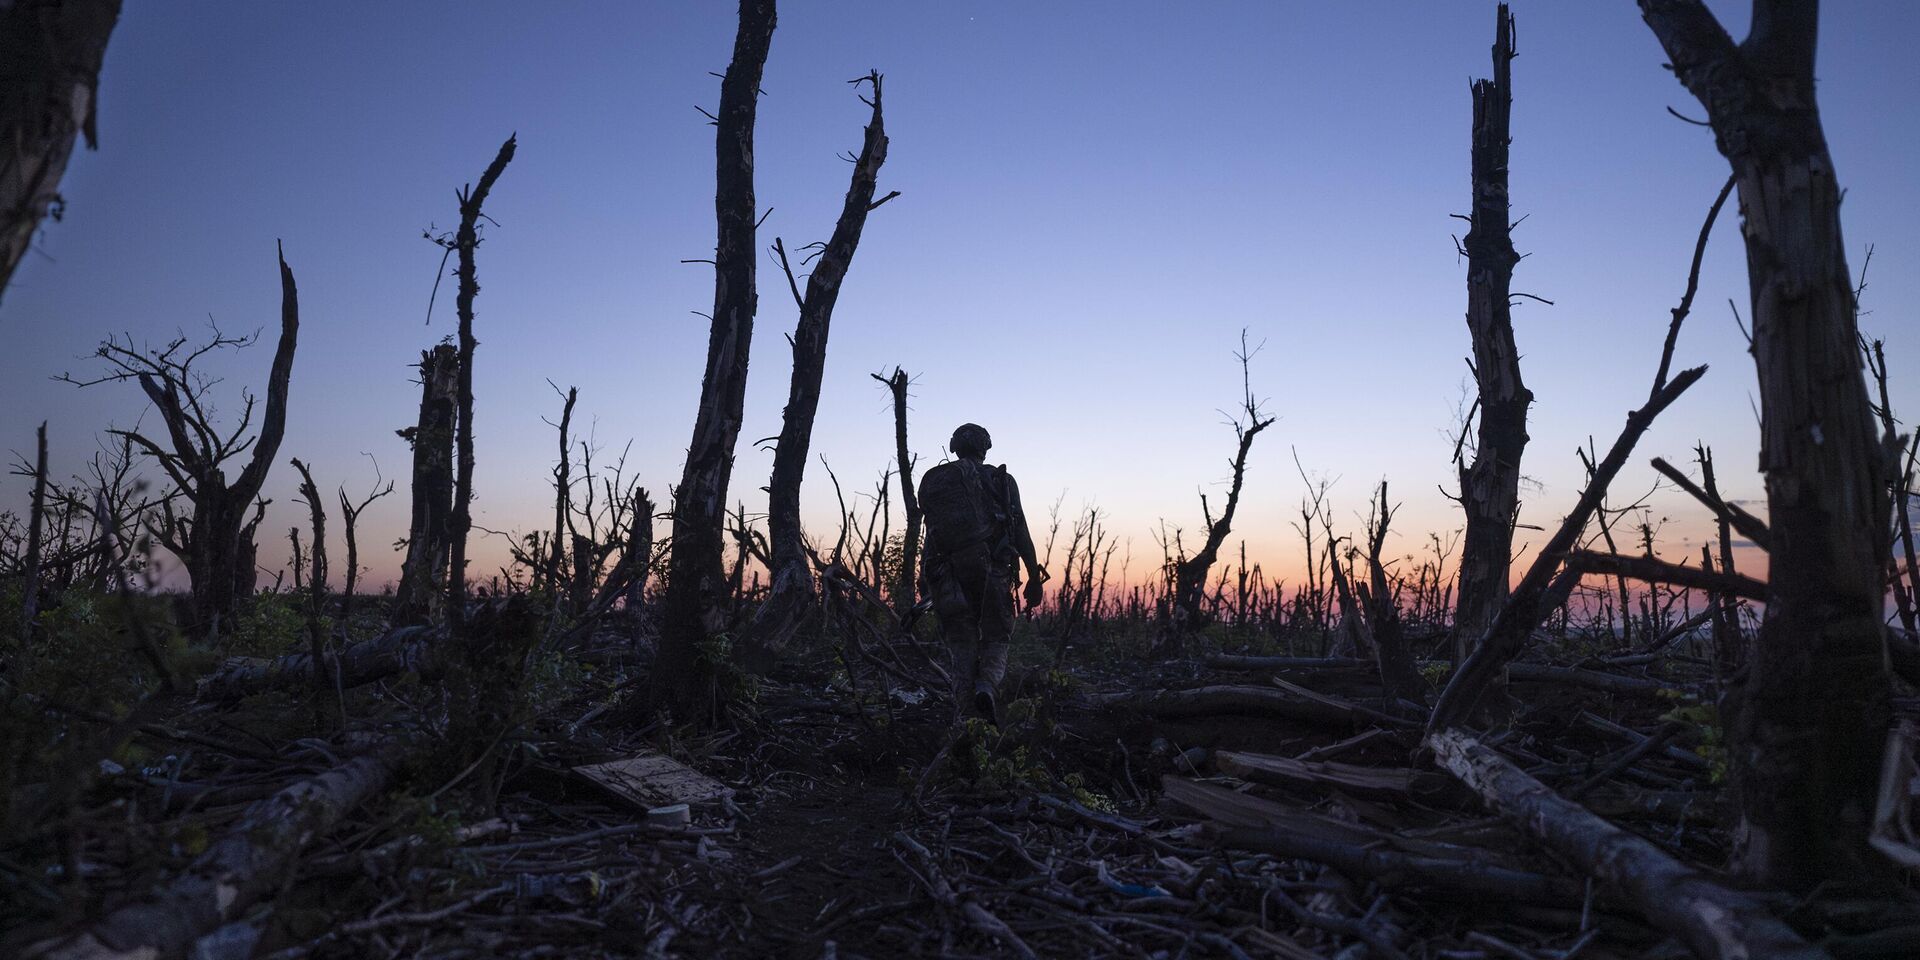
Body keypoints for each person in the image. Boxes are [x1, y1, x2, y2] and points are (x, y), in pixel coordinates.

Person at [917, 423, 1046, 722]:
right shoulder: (1001, 480)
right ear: (985, 448)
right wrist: (1034, 576)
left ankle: (964, 713)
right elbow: (1020, 529)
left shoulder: (933, 480)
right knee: (997, 636)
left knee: (961, 640)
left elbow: (931, 534)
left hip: (945, 571)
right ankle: (987, 686)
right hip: (991, 570)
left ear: (954, 447)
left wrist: (926, 581)